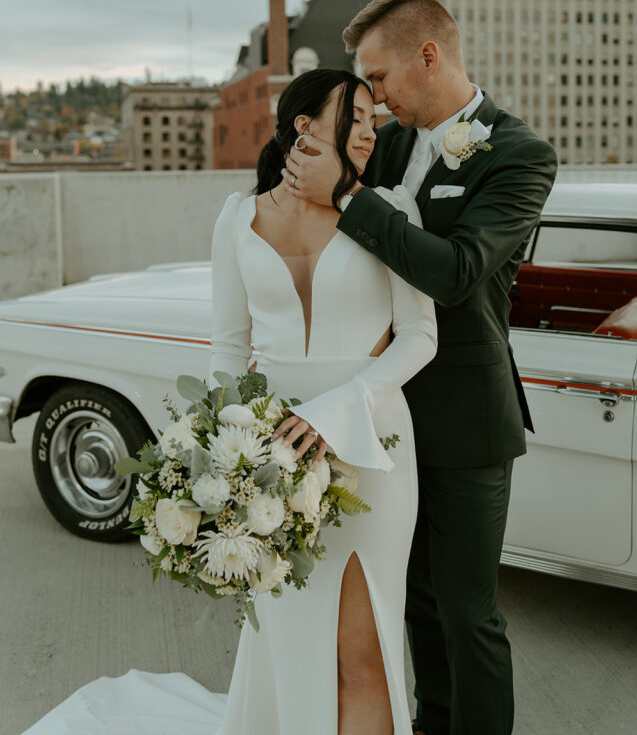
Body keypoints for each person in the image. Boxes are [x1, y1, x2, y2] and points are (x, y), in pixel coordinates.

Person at [21, 67, 438, 735]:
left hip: (369, 446)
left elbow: (420, 337)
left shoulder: (389, 209)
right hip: (265, 456)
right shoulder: (236, 218)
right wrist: (220, 457)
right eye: (355, 117)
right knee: (289, 639)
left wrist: (334, 411)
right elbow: (226, 349)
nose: (370, 130)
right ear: (304, 126)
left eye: (372, 120)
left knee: (361, 645)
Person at [282, 0, 558, 735]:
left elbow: (457, 271)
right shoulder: (393, 142)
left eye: (377, 79)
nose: (371, 101)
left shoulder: (520, 154)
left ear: (427, 55)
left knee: (469, 615)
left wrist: (345, 195)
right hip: (381, 413)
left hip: (467, 422)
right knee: (413, 604)